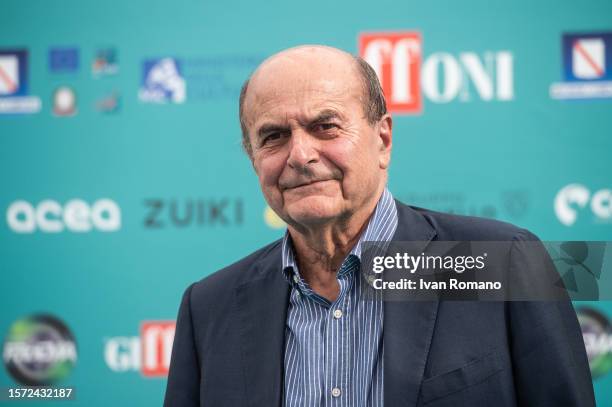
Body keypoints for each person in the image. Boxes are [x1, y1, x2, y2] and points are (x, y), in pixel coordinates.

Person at [164, 45, 595, 407]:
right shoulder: (208, 308)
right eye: (273, 136)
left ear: (383, 139)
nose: (300, 155)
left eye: (325, 126)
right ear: (253, 157)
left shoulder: (502, 262)